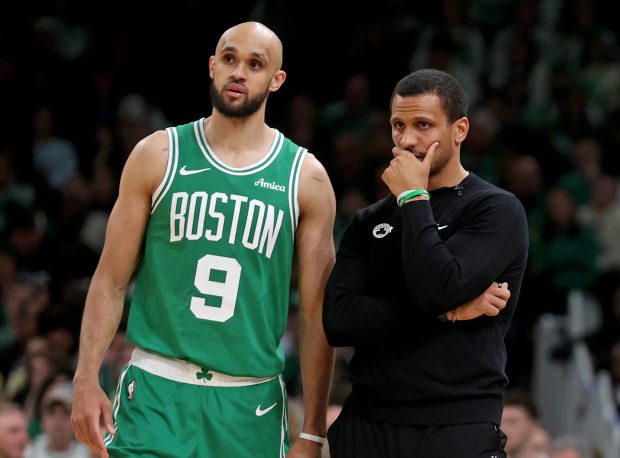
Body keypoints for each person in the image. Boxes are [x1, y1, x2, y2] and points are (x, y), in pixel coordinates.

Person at [71, 21, 336, 458]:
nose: (239, 72)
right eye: (229, 59)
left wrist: (312, 429)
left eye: (255, 64)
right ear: (212, 66)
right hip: (155, 388)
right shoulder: (158, 154)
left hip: (249, 401)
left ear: (276, 80)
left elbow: (314, 314)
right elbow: (110, 279)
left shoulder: (305, 178)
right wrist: (84, 378)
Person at [323, 68, 529, 457]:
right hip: (368, 419)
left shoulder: (496, 209)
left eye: (423, 124)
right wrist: (445, 315)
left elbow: (440, 287)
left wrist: (415, 199)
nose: (407, 139)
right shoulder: (369, 221)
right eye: (397, 125)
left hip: (456, 422)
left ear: (460, 129)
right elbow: (339, 320)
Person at [25, 381, 91, 457]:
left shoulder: (88, 454)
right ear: (42, 419)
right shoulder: (30, 451)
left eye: (65, 414)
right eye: (51, 413)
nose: (58, 421)